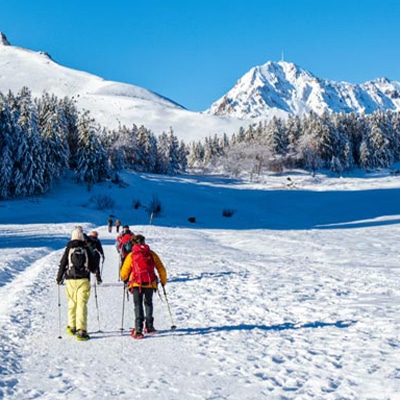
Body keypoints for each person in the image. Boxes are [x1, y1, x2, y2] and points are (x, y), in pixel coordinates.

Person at [56, 226, 101, 341]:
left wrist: (58, 278)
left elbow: (63, 263)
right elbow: (93, 267)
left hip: (70, 280)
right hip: (84, 280)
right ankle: (82, 330)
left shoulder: (69, 248)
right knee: (82, 304)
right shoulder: (86, 248)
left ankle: (72, 327)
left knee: (72, 303)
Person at [120, 234, 167, 339]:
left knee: (138, 305)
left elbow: (124, 273)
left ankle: (138, 329)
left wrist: (124, 279)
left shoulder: (132, 255)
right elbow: (161, 268)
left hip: (136, 283)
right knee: (148, 303)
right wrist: (163, 281)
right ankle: (149, 327)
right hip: (150, 283)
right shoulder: (151, 254)